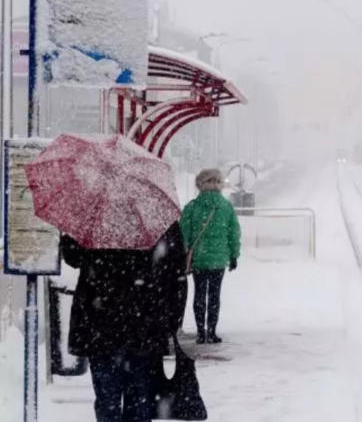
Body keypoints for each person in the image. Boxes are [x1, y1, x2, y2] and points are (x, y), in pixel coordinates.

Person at [61, 222, 187, 422]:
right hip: (144, 321)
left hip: (99, 321)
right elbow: (176, 272)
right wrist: (173, 319)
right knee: (139, 397)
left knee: (107, 398)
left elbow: (73, 256)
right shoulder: (158, 215)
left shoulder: (95, 213)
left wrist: (68, 233)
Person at [180, 169, 241, 345]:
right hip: (218, 259)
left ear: (200, 184)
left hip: (199, 258)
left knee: (199, 294)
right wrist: (234, 255)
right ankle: (212, 332)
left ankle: (200, 332)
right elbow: (234, 233)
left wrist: (184, 255)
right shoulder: (226, 207)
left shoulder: (192, 207)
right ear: (219, 184)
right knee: (215, 295)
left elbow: (183, 234)